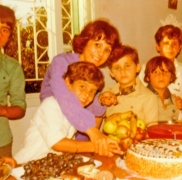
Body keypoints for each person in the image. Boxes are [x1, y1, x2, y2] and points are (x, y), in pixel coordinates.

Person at [14, 62, 123, 164]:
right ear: (68, 83)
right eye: (82, 87)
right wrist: (97, 146)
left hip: (52, 165)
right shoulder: (51, 104)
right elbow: (58, 144)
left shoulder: (78, 111)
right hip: (26, 164)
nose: (87, 95)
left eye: (92, 91)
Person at [40, 19, 121, 154]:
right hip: (52, 131)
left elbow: (90, 107)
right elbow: (65, 98)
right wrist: (94, 133)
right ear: (85, 41)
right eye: (97, 44)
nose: (101, 54)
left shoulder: (96, 74)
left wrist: (100, 100)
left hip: (77, 136)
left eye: (107, 49)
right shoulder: (61, 62)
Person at [99, 45, 158, 125]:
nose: (122, 71)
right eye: (117, 68)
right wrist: (100, 100)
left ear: (137, 67)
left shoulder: (148, 98)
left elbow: (151, 130)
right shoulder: (107, 93)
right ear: (111, 73)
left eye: (127, 66)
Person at [0, 5, 26, 157]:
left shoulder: (13, 67)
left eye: (4, 29)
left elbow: (20, 108)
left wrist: (2, 110)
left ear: (9, 36)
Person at [139, 25, 182, 102]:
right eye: (166, 43)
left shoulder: (181, 70)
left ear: (179, 48)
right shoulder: (146, 68)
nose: (170, 47)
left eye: (174, 44)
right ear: (158, 47)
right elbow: (140, 94)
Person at [144, 56, 182, 121]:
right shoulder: (142, 98)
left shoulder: (174, 100)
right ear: (148, 77)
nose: (161, 75)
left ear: (171, 77)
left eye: (165, 72)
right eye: (156, 72)